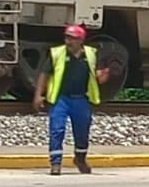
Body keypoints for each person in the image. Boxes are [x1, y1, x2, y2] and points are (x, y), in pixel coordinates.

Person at [33, 25, 114, 176]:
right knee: (57, 130)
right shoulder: (57, 53)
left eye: (72, 38)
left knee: (82, 131)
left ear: (81, 40)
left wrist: (103, 76)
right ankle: (55, 163)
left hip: (81, 99)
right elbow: (44, 74)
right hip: (61, 99)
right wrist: (38, 95)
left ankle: (80, 159)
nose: (68, 41)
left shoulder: (90, 54)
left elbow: (97, 76)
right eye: (67, 37)